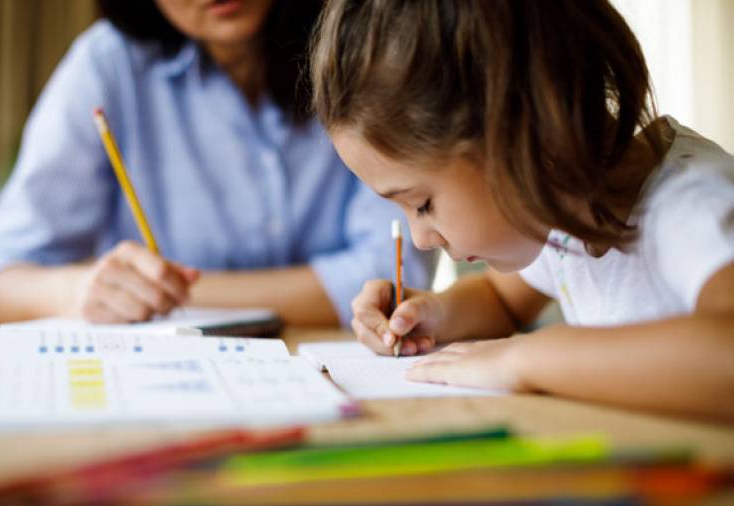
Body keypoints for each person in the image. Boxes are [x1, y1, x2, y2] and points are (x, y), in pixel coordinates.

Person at [311, 0, 734, 421]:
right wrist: (430, 315)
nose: (421, 238)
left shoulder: (693, 205)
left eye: (423, 204)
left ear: (522, 131)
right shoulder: (561, 212)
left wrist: (529, 358)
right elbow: (501, 300)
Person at [0, 0, 431, 327]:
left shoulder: (361, 50)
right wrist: (79, 293)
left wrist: (171, 298)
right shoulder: (107, 65)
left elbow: (394, 272)